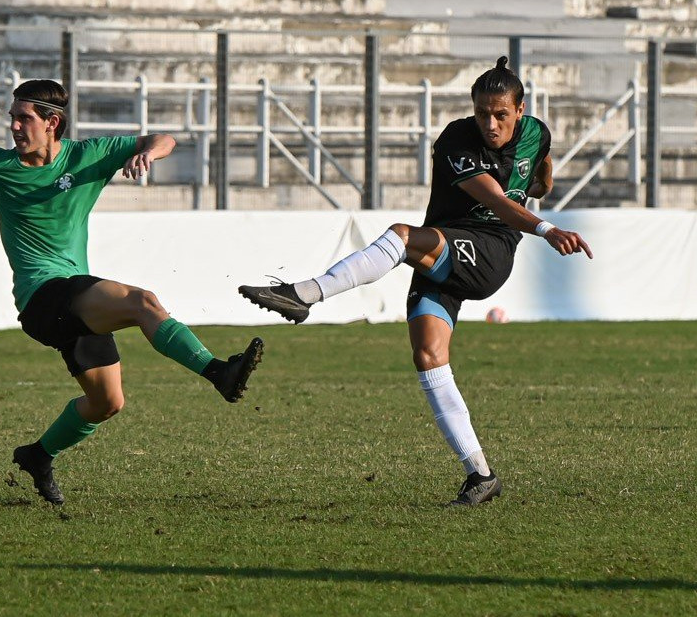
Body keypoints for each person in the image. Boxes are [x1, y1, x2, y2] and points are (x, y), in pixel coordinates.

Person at [239, 57, 591, 507]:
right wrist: (545, 221)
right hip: (444, 249)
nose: (490, 122)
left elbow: (533, 179)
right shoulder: (455, 141)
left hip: (488, 251)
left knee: (401, 238)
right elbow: (498, 199)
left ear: (520, 110)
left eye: (501, 114)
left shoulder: (537, 132)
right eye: (482, 112)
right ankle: (480, 475)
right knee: (428, 355)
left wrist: (543, 195)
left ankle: (303, 295)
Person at [0, 78, 264, 507]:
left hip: (74, 299)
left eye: (24, 118)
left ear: (52, 122)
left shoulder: (86, 156)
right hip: (43, 297)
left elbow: (164, 139)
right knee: (142, 302)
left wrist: (148, 153)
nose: (15, 127)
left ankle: (38, 455)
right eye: (12, 118)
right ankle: (217, 372)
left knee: (108, 402)